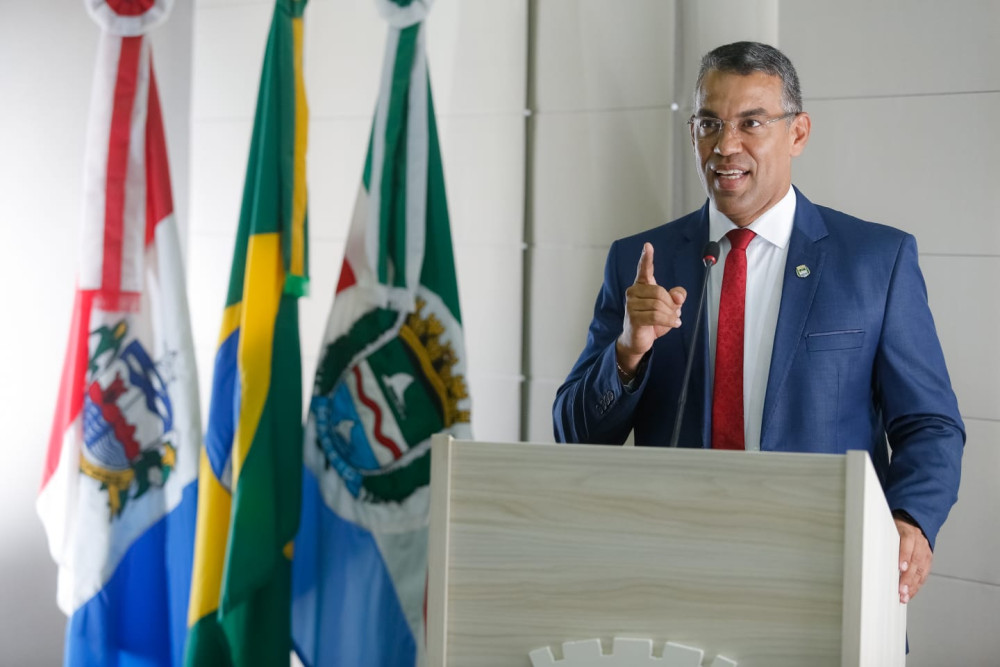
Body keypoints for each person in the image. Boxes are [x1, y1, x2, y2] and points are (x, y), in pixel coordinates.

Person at [552, 41, 964, 605]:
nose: (725, 146)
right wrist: (626, 352)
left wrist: (909, 519)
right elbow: (574, 435)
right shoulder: (640, 262)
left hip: (823, 575)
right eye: (709, 123)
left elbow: (930, 423)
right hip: (670, 580)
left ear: (797, 133)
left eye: (751, 123)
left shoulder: (875, 260)